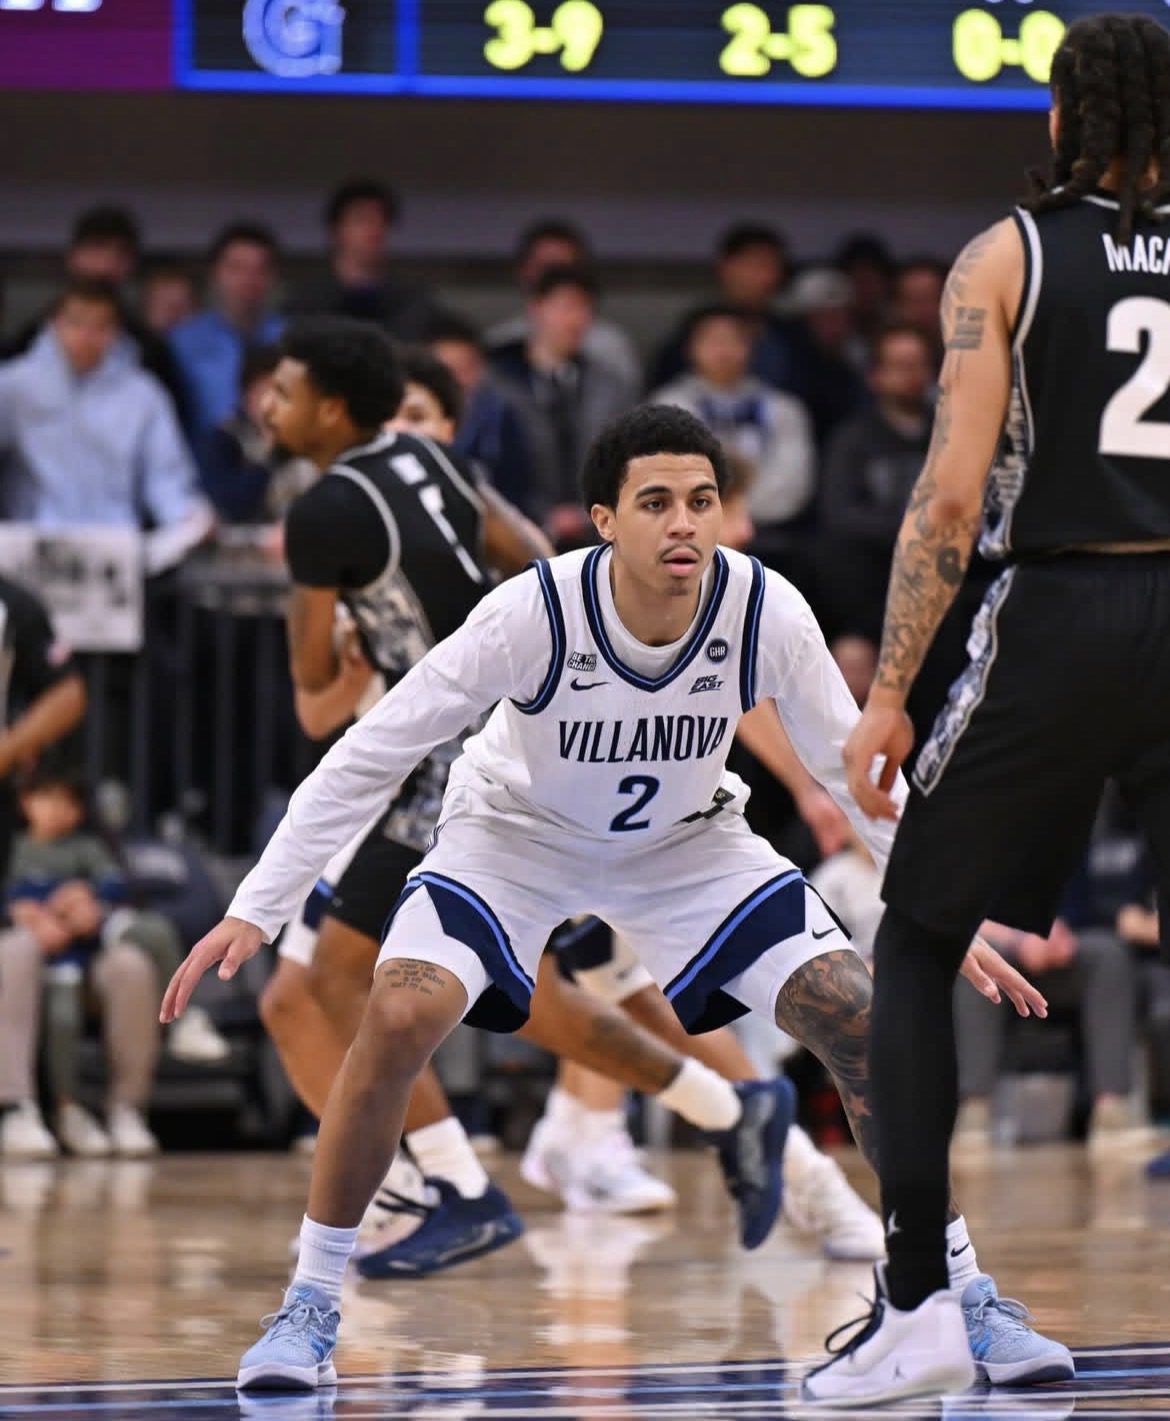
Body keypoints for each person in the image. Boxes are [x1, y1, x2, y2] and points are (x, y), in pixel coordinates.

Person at [164, 403, 1056, 1391]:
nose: (684, 523)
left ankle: (956, 1294)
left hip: (688, 845)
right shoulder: (530, 611)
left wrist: (942, 913)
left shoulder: (765, 608)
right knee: (399, 1004)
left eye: (703, 501)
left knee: (864, 1014)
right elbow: (375, 747)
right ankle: (309, 1303)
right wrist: (260, 901)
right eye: (658, 502)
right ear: (603, 518)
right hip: (514, 837)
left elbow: (853, 775)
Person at [254, 327, 797, 1271]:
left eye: (285, 391)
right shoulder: (436, 458)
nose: (268, 407)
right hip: (527, 722)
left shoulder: (321, 513)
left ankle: (456, 1187)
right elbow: (538, 553)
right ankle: (727, 1106)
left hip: (438, 754)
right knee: (519, 989)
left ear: (332, 410)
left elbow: (313, 692)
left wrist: (357, 646)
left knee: (333, 982)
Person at [805, 14, 1170, 1405]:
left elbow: (950, 496)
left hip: (1063, 611)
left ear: (1064, 119)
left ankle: (914, 1305)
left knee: (912, 938)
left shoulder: (1008, 256)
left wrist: (888, 687)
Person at [7, 763, 227, 1157]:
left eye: (67, 802)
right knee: (51, 999)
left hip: (83, 954)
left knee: (135, 955)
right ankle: (40, 1107)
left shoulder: (91, 847)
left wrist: (88, 904)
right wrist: (23, 915)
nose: (56, 811)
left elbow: (117, 888)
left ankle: (128, 1105)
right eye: (45, 799)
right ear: (24, 802)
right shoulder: (15, 846)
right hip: (30, 956)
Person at [0, 276, 215, 576]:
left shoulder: (143, 394)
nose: (86, 336)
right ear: (54, 324)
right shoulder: (13, 386)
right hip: (31, 549)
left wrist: (189, 516)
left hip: (114, 552)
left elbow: (166, 478)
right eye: (76, 323)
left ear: (115, 332)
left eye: (99, 326)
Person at [0, 576, 86, 1159]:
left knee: (15, 950)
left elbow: (67, 694)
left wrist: (9, 746)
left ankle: (15, 1105)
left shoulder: (13, 603)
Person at [490, 265, 637, 547]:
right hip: (518, 532)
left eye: (585, 309)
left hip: (598, 531)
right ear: (536, 308)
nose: (576, 319)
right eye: (565, 306)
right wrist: (541, 516)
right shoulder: (498, 384)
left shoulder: (609, 385)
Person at [0, 205, 189, 421]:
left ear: (131, 267)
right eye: (97, 249)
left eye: (120, 254)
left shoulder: (150, 351)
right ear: (73, 257)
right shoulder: (29, 340)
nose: (107, 264)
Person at [650, 304, 816, 542]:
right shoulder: (665, 407)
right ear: (690, 348)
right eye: (713, 341)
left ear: (751, 347)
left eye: (734, 340)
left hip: (770, 533)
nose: (724, 350)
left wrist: (737, 513)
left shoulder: (784, 408)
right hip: (685, 530)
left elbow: (792, 483)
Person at [817, 324, 936, 643]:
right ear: (875, 377)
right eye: (899, 366)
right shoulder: (851, 439)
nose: (911, 375)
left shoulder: (951, 435)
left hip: (939, 570)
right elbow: (839, 514)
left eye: (918, 364)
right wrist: (914, 530)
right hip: (874, 575)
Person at [169, 222, 284, 468]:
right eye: (237, 269)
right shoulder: (183, 343)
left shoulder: (292, 340)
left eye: (259, 270)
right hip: (202, 471)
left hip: (279, 471)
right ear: (215, 274)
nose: (248, 280)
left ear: (273, 278)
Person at [485, 218, 642, 388]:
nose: (555, 276)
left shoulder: (611, 346)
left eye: (564, 266)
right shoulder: (500, 343)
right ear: (523, 272)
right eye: (545, 266)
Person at [288, 179, 436, 340]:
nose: (374, 231)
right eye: (361, 220)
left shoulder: (412, 302)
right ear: (335, 230)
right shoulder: (305, 302)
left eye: (382, 221)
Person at [428, 311, 537, 514]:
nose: (457, 380)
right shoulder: (409, 423)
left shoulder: (500, 418)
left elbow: (517, 490)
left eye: (465, 368)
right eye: (446, 369)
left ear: (481, 368)